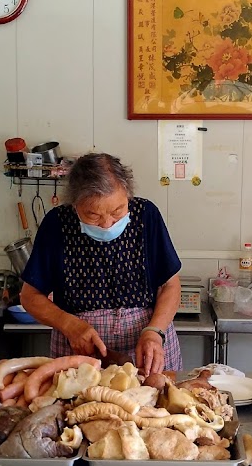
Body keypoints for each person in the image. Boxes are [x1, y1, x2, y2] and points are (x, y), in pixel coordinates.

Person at [19, 153, 182, 375]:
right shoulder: (57, 224)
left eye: (117, 212)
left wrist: (154, 332)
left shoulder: (146, 215)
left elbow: (170, 285)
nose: (107, 224)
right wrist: (69, 325)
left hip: (147, 344)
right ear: (75, 205)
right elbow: (29, 296)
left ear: (128, 195)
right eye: (93, 215)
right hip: (81, 348)